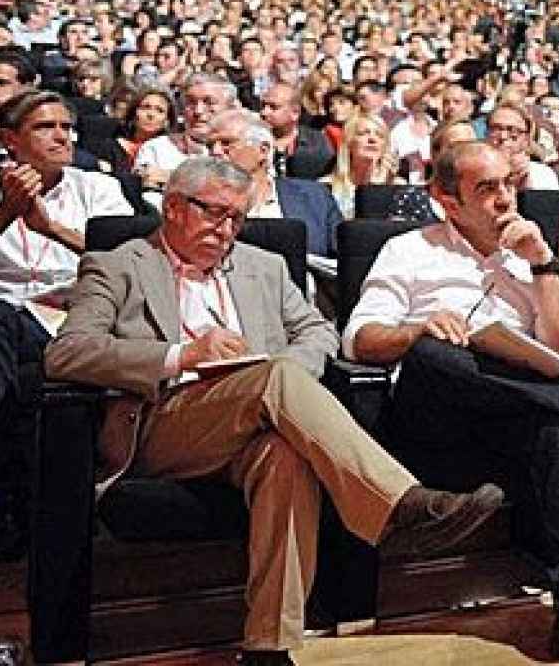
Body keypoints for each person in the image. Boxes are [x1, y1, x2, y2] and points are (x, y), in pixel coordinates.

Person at [47, 156, 504, 664]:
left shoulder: (263, 267)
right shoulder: (118, 265)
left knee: (284, 457)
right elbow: (67, 352)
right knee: (278, 379)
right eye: (214, 214)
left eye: (237, 218)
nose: (227, 230)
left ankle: (269, 646)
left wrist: (281, 377)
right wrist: (182, 355)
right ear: (173, 207)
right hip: (165, 422)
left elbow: (319, 332)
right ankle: (397, 506)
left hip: (258, 415)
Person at [344, 141, 559, 666]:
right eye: (486, 189)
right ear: (447, 201)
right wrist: (416, 329)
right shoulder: (409, 251)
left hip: (515, 421)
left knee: (556, 434)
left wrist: (541, 264)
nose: (504, 200)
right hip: (436, 426)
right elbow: (358, 339)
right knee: (433, 351)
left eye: (509, 186)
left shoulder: (528, 256)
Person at [0, 91, 134, 561]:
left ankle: (0, 491)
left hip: (76, 316)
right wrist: (6, 212)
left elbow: (124, 260)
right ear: (11, 140)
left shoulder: (98, 189)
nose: (62, 136)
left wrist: (50, 228)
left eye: (66, 126)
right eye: (45, 127)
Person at [204, 109, 341, 257]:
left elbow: (341, 254)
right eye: (210, 145)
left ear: (262, 150)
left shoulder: (314, 196)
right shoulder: (200, 202)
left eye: (226, 143)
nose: (215, 152)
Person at [133, 72, 236, 190]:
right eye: (191, 102)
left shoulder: (239, 150)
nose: (198, 111)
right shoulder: (156, 148)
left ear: (230, 108)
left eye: (209, 102)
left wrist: (170, 177)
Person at [259, 82, 335, 181]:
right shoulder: (249, 140)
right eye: (263, 105)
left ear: (295, 113)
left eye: (273, 107)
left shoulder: (316, 144)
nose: (264, 112)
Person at [327, 113, 397, 219]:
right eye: (363, 133)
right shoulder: (326, 189)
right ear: (349, 143)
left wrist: (379, 187)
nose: (372, 139)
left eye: (380, 135)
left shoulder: (399, 189)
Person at [487, 101, 559, 190]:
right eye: (496, 129)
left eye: (513, 131)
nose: (503, 137)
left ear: (526, 139)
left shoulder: (543, 175)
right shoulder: (474, 171)